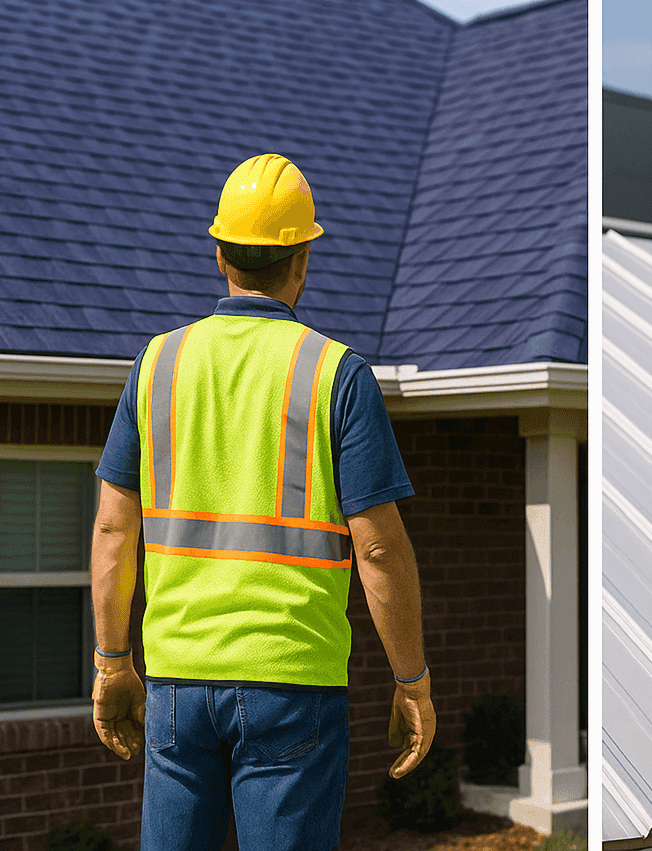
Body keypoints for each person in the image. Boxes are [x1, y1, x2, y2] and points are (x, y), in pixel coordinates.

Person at [89, 153, 437, 849]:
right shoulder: (337, 375)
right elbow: (376, 547)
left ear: (219, 254)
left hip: (179, 683)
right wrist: (413, 681)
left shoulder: (156, 365)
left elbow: (111, 532)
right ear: (302, 259)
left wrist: (111, 663)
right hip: (292, 684)